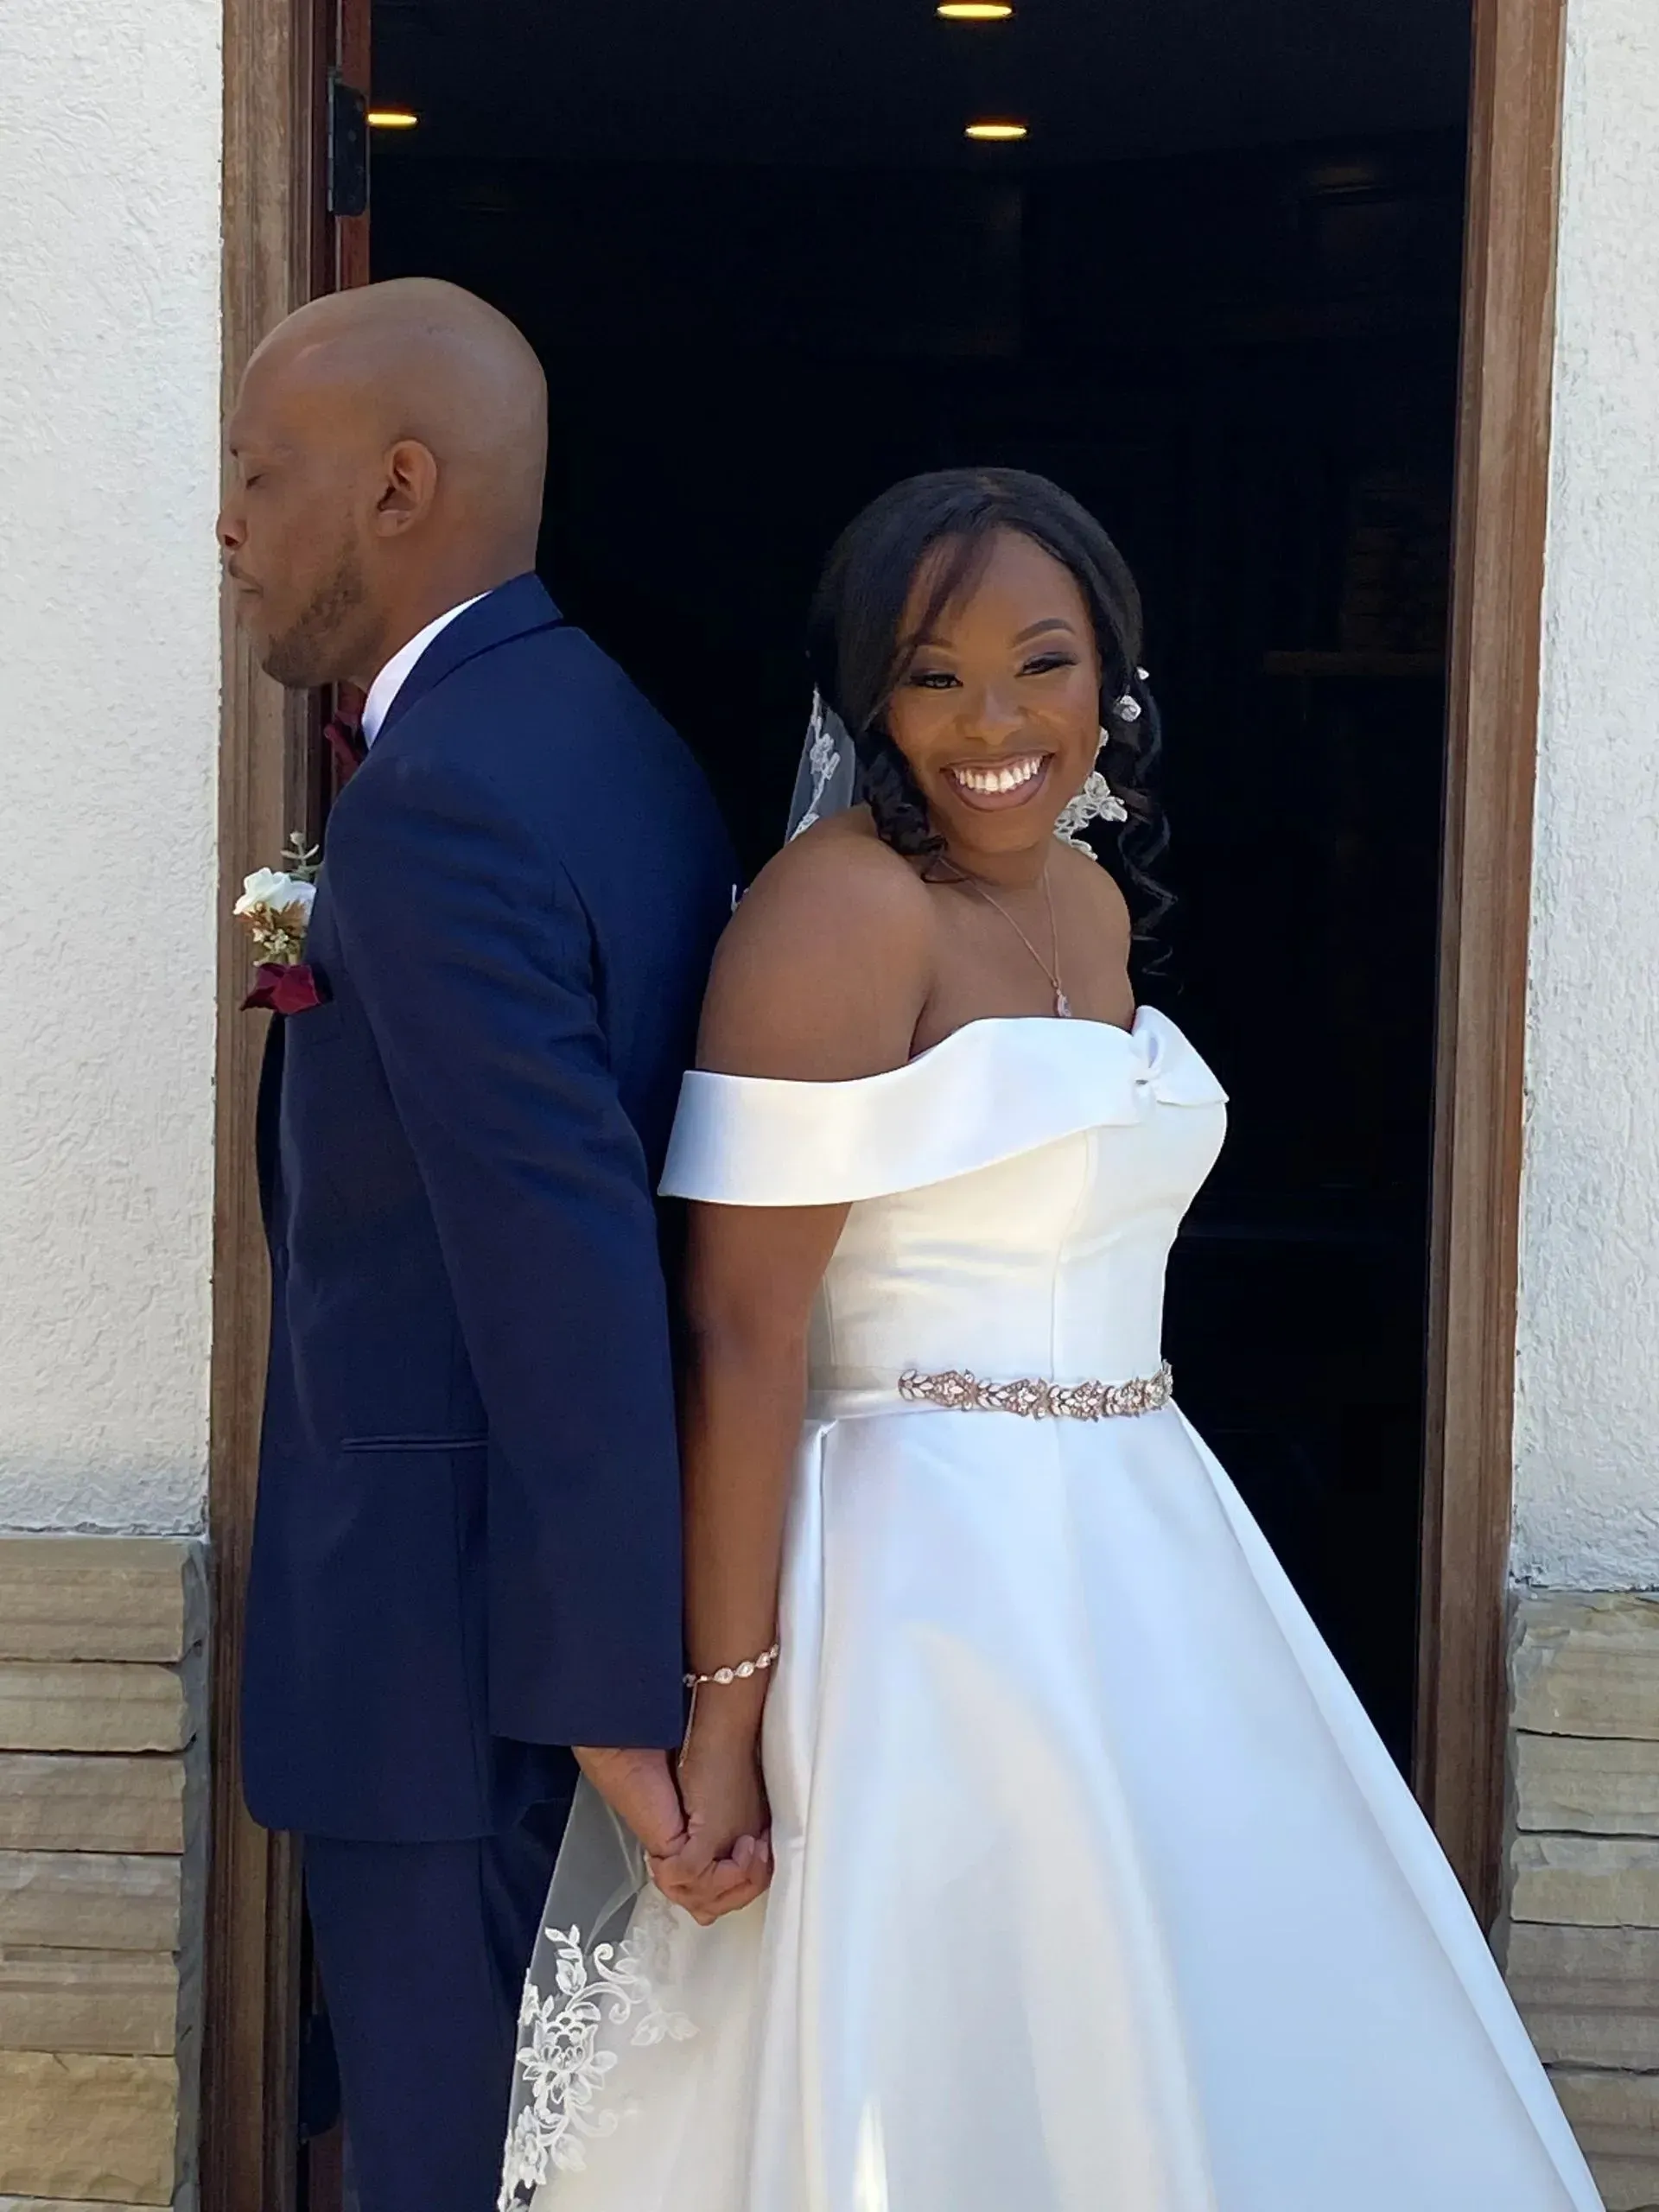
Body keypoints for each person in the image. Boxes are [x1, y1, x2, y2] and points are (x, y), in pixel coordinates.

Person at [499, 468, 1603, 2210]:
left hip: (1143, 1537)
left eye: (1045, 663)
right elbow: (736, 1326)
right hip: (915, 1582)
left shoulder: (1090, 903)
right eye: (935, 674)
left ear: (1118, 677)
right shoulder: (841, 909)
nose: (996, 724)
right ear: (865, 692)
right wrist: (720, 1710)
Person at [219, 277, 737, 2212]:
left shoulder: (441, 802)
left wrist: (612, 1683)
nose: (229, 519)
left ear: (400, 487)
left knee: (446, 2166)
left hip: (460, 1679)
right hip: (518, 1647)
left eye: (261, 473)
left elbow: (565, 1256)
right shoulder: (601, 735)